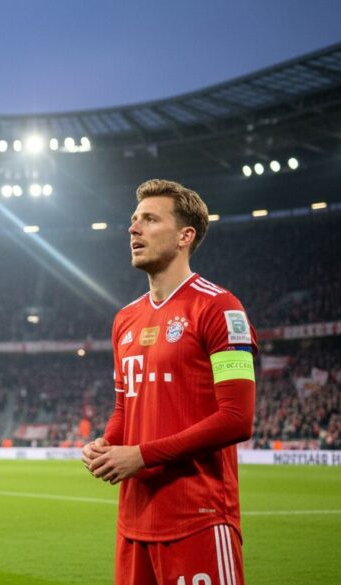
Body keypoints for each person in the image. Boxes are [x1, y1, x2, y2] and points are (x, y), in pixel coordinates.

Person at [82, 179, 257, 585]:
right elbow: (127, 406)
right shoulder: (124, 319)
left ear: (185, 235)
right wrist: (107, 443)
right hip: (133, 522)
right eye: (133, 220)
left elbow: (236, 419)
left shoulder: (220, 309)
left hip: (198, 519)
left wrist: (141, 455)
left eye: (149, 219)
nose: (133, 229)